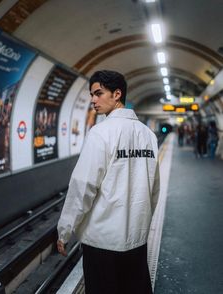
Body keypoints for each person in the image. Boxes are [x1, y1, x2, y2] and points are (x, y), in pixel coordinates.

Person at [57, 70, 160, 294]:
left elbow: (83, 187)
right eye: (92, 94)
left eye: (98, 93)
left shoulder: (100, 133)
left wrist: (65, 230)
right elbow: (154, 188)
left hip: (102, 242)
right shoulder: (148, 135)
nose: (93, 100)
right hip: (137, 239)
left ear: (117, 94)